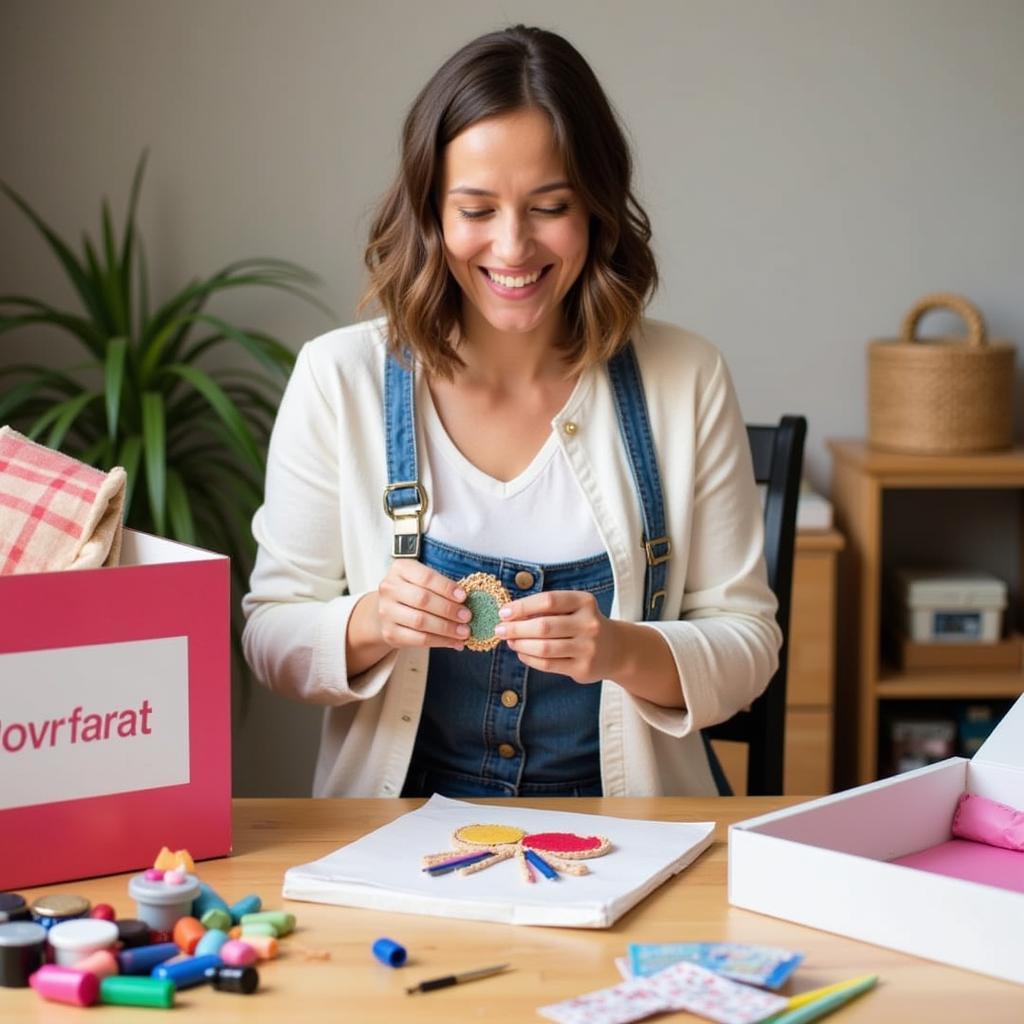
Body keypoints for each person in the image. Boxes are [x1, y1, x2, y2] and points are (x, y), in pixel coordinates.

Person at [242, 25, 781, 799]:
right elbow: (270, 636)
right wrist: (371, 623)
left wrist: (621, 650)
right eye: (476, 209)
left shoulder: (686, 377)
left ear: (596, 209)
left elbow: (749, 647)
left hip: (632, 835)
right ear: (431, 213)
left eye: (549, 206)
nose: (513, 246)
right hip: (392, 835)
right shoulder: (339, 378)